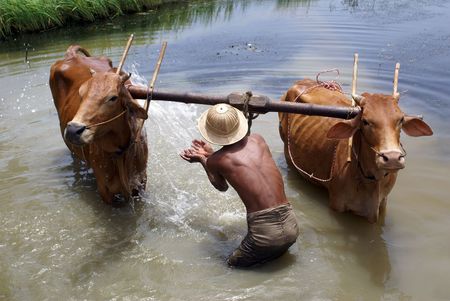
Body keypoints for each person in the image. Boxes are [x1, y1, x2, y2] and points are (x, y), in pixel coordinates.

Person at [180, 103, 299, 267]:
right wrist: (212, 156)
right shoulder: (258, 140)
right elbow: (242, 162)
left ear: (211, 133)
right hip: (291, 224)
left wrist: (203, 160)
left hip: (265, 234)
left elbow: (222, 187)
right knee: (273, 259)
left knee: (230, 266)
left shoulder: (217, 160)